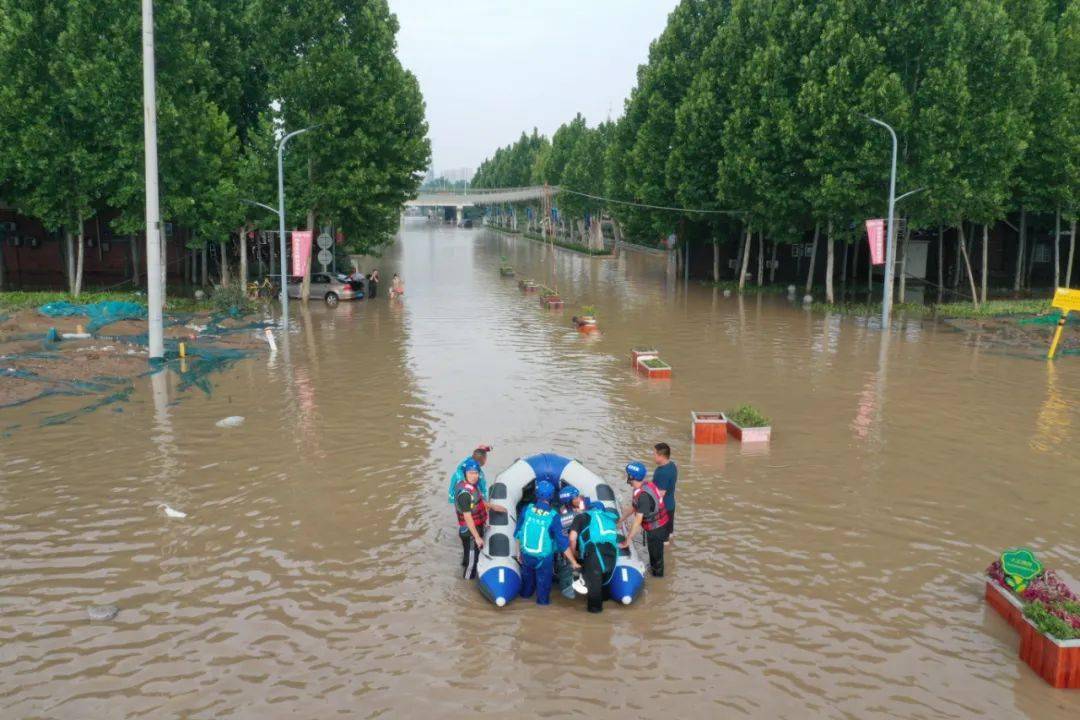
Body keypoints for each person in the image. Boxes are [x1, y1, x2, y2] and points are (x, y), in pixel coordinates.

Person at [515, 480, 578, 605]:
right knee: (543, 590)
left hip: (526, 555)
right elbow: (563, 544)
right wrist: (574, 562)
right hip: (543, 560)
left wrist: (518, 553)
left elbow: (518, 532)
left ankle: (523, 604)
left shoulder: (526, 509)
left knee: (526, 587)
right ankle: (542, 608)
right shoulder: (553, 516)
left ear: (536, 494)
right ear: (551, 496)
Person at [568, 499, 620, 613]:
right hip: (612, 554)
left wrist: (573, 555)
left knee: (594, 593)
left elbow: (572, 538)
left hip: (594, 554)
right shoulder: (609, 518)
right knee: (605, 583)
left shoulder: (582, 517)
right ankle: (607, 605)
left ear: (589, 509)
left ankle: (595, 619)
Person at [620, 461, 669, 577]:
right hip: (657, 526)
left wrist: (628, 540)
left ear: (632, 477)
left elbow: (638, 521)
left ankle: (658, 578)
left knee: (656, 558)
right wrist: (621, 520)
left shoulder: (643, 496)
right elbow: (633, 507)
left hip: (657, 530)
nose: (626, 476)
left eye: (628, 474)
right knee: (654, 554)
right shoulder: (644, 486)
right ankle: (654, 569)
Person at [454, 459, 488, 579]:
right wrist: (477, 537)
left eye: (476, 473)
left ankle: (464, 563)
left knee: (468, 555)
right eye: (470, 473)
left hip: (473, 527)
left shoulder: (472, 486)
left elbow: (478, 503)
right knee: (471, 564)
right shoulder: (465, 493)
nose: (474, 476)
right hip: (470, 532)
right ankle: (466, 584)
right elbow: (467, 516)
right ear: (465, 474)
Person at [554, 485, 582, 599]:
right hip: (565, 548)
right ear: (569, 501)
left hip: (569, 543)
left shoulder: (570, 510)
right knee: (566, 565)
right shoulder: (569, 515)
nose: (579, 499)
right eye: (576, 498)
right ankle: (566, 585)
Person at [652, 442, 678, 543]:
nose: (652, 456)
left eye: (654, 454)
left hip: (663, 509)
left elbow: (660, 493)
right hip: (670, 505)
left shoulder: (662, 472)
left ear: (661, 456)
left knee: (663, 540)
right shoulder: (672, 465)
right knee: (669, 533)